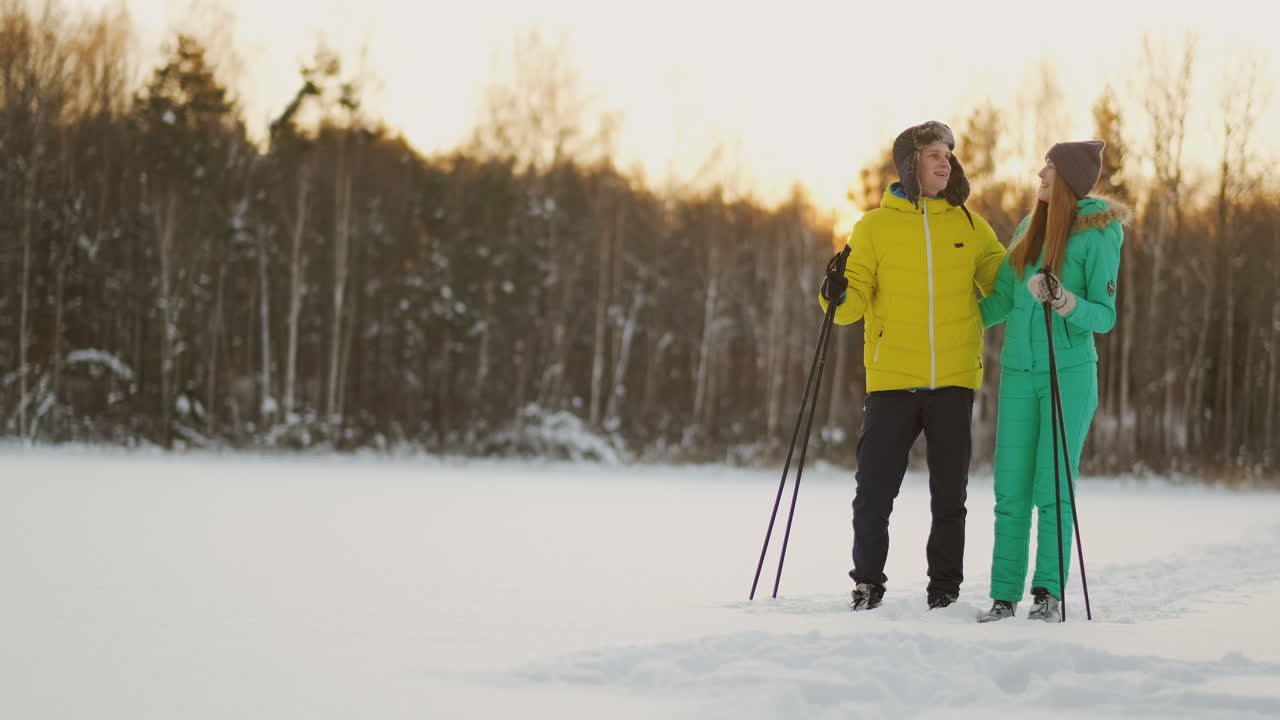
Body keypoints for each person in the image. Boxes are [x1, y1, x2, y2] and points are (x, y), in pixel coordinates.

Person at [820, 121, 1006, 611]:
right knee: (874, 492)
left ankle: (944, 589)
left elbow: (1003, 288)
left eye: (948, 154)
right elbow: (849, 307)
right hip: (891, 382)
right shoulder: (873, 227)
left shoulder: (970, 225)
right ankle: (867, 582)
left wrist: (971, 321)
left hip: (952, 381)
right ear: (910, 164)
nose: (945, 162)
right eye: (932, 155)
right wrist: (833, 293)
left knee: (950, 495)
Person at [975, 141, 1130, 623]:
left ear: (1068, 179)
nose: (1040, 173)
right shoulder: (1028, 226)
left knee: (1053, 487)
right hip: (1019, 375)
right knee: (1010, 490)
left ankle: (1047, 593)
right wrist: (941, 318)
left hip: (1069, 375)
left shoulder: (1098, 233)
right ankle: (1004, 596)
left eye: (1050, 167)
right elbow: (998, 299)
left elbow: (1104, 316)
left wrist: (1064, 300)